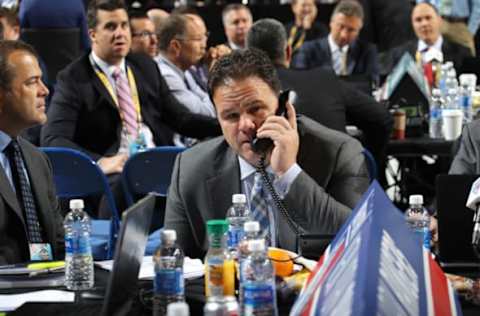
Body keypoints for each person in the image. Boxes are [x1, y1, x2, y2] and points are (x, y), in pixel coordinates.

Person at [164, 49, 370, 258]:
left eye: (255, 109)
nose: (246, 125)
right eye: (231, 116)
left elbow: (359, 237)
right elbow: (176, 264)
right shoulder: (190, 169)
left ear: (282, 106)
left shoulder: (340, 152)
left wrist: (289, 173)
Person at [41, 0, 220, 175]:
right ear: (93, 34)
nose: (120, 33)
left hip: (156, 159)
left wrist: (224, 126)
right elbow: (53, 139)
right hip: (116, 172)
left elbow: (180, 118)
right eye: (111, 27)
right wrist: (98, 162)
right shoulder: (74, 78)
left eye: (124, 26)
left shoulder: (145, 66)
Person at [247, 18, 392, 186]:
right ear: (288, 52)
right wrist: (369, 168)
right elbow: (383, 119)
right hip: (343, 189)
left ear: (248, 58)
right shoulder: (325, 79)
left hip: (272, 192)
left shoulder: (240, 99)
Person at [0, 40, 64, 264]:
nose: (44, 91)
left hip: (41, 286)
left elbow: (54, 244)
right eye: (32, 82)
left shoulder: (36, 159)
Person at [291, 0, 379, 84]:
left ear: (359, 30)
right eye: (340, 26)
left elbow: (372, 84)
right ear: (331, 22)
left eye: (351, 30)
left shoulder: (368, 51)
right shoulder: (308, 50)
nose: (344, 35)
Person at [155, 14, 215, 118]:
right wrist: (214, 74)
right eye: (197, 39)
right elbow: (206, 114)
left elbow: (206, 100)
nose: (204, 45)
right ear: (176, 46)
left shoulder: (183, 69)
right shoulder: (165, 76)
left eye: (204, 37)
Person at [391, 2, 472, 74]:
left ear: (439, 20)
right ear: (412, 24)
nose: (424, 24)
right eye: (418, 20)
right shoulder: (400, 56)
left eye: (428, 18)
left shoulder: (461, 53)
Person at [18, 0, 90, 51]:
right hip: (69, 68)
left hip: (34, 66)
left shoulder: (27, 3)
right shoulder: (76, 3)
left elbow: (18, 36)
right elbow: (85, 43)